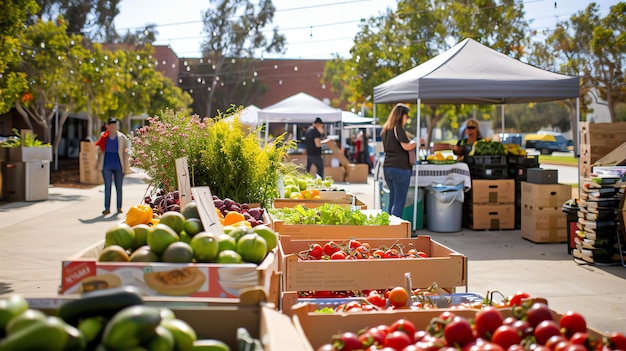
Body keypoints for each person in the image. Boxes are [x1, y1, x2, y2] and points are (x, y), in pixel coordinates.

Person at [381, 103, 417, 218]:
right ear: (402, 116)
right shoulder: (398, 128)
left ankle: (388, 228)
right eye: (406, 116)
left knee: (392, 199)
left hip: (387, 166)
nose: (407, 119)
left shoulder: (386, 129)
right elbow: (406, 146)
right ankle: (396, 228)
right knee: (399, 201)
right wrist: (416, 142)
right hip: (400, 167)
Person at [95, 117, 131, 215]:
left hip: (118, 164)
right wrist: (97, 163)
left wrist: (126, 165)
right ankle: (107, 208)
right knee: (108, 186)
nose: (113, 126)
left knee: (118, 187)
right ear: (108, 126)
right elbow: (99, 151)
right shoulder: (103, 135)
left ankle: (119, 207)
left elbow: (126, 153)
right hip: (106, 163)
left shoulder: (122, 137)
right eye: (111, 124)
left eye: (115, 124)